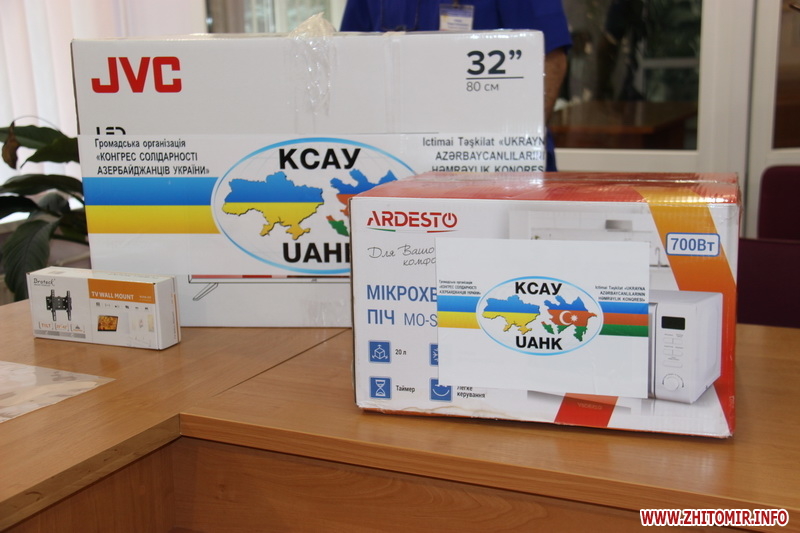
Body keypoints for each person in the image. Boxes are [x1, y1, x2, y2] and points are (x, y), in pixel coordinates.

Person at [340, 0, 572, 171]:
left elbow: (550, 58)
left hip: (490, 161)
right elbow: (350, 55)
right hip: (400, 160)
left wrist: (516, 150)